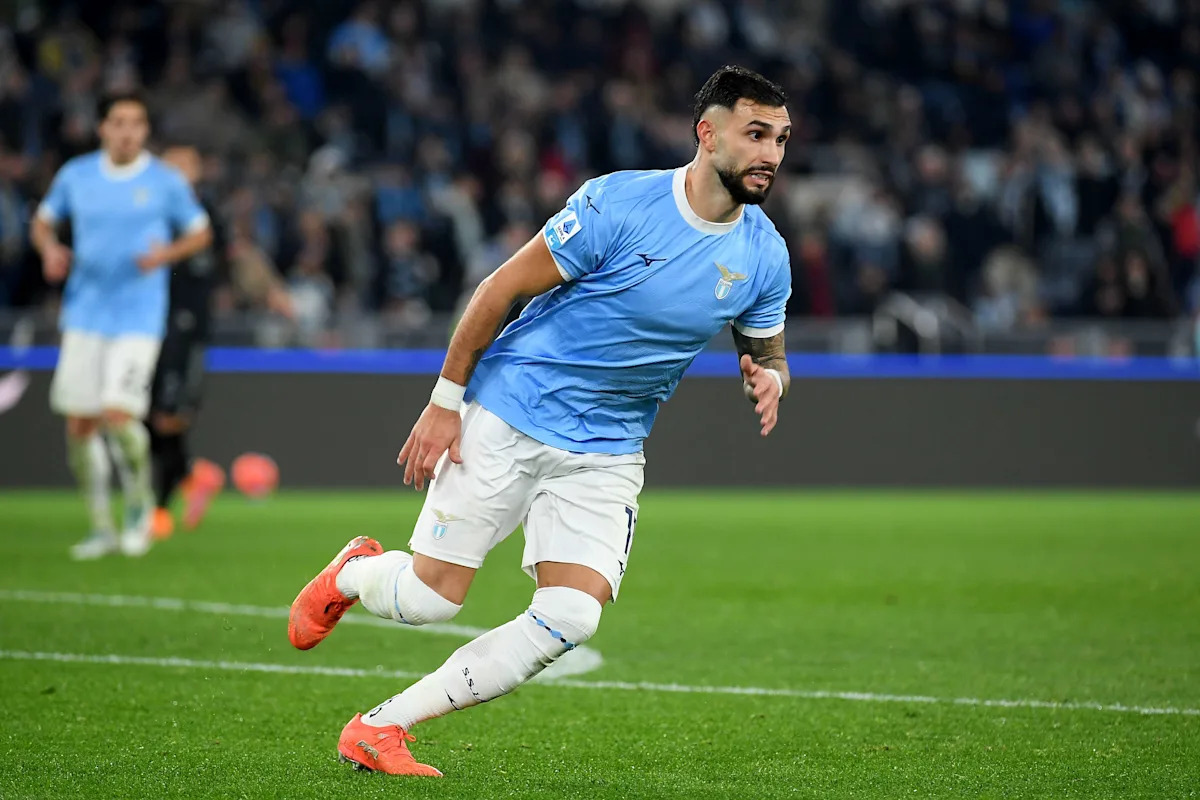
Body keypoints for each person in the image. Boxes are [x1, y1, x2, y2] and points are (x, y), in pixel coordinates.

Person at [288, 66, 793, 777]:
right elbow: (500, 288)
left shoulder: (765, 254)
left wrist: (771, 377)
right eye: (755, 134)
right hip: (512, 410)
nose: (771, 153)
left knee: (572, 616)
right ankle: (354, 573)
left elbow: (767, 349)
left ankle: (380, 727)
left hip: (609, 447)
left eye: (780, 139)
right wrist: (444, 403)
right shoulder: (619, 204)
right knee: (430, 600)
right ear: (707, 135)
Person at [31, 93, 212, 560]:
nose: (127, 131)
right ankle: (100, 527)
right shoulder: (76, 175)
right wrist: (50, 249)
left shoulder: (164, 181)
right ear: (103, 128)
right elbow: (43, 222)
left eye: (136, 123)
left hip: (138, 317)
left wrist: (164, 255)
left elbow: (200, 232)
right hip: (84, 314)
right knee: (80, 423)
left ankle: (139, 506)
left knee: (119, 414)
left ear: (145, 130)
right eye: (118, 122)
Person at [146, 145, 225, 539]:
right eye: (169, 166)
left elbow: (218, 263)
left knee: (169, 416)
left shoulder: (203, 216)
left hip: (185, 327)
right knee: (144, 415)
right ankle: (192, 475)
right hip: (149, 325)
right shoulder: (153, 212)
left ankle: (159, 509)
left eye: (183, 166)